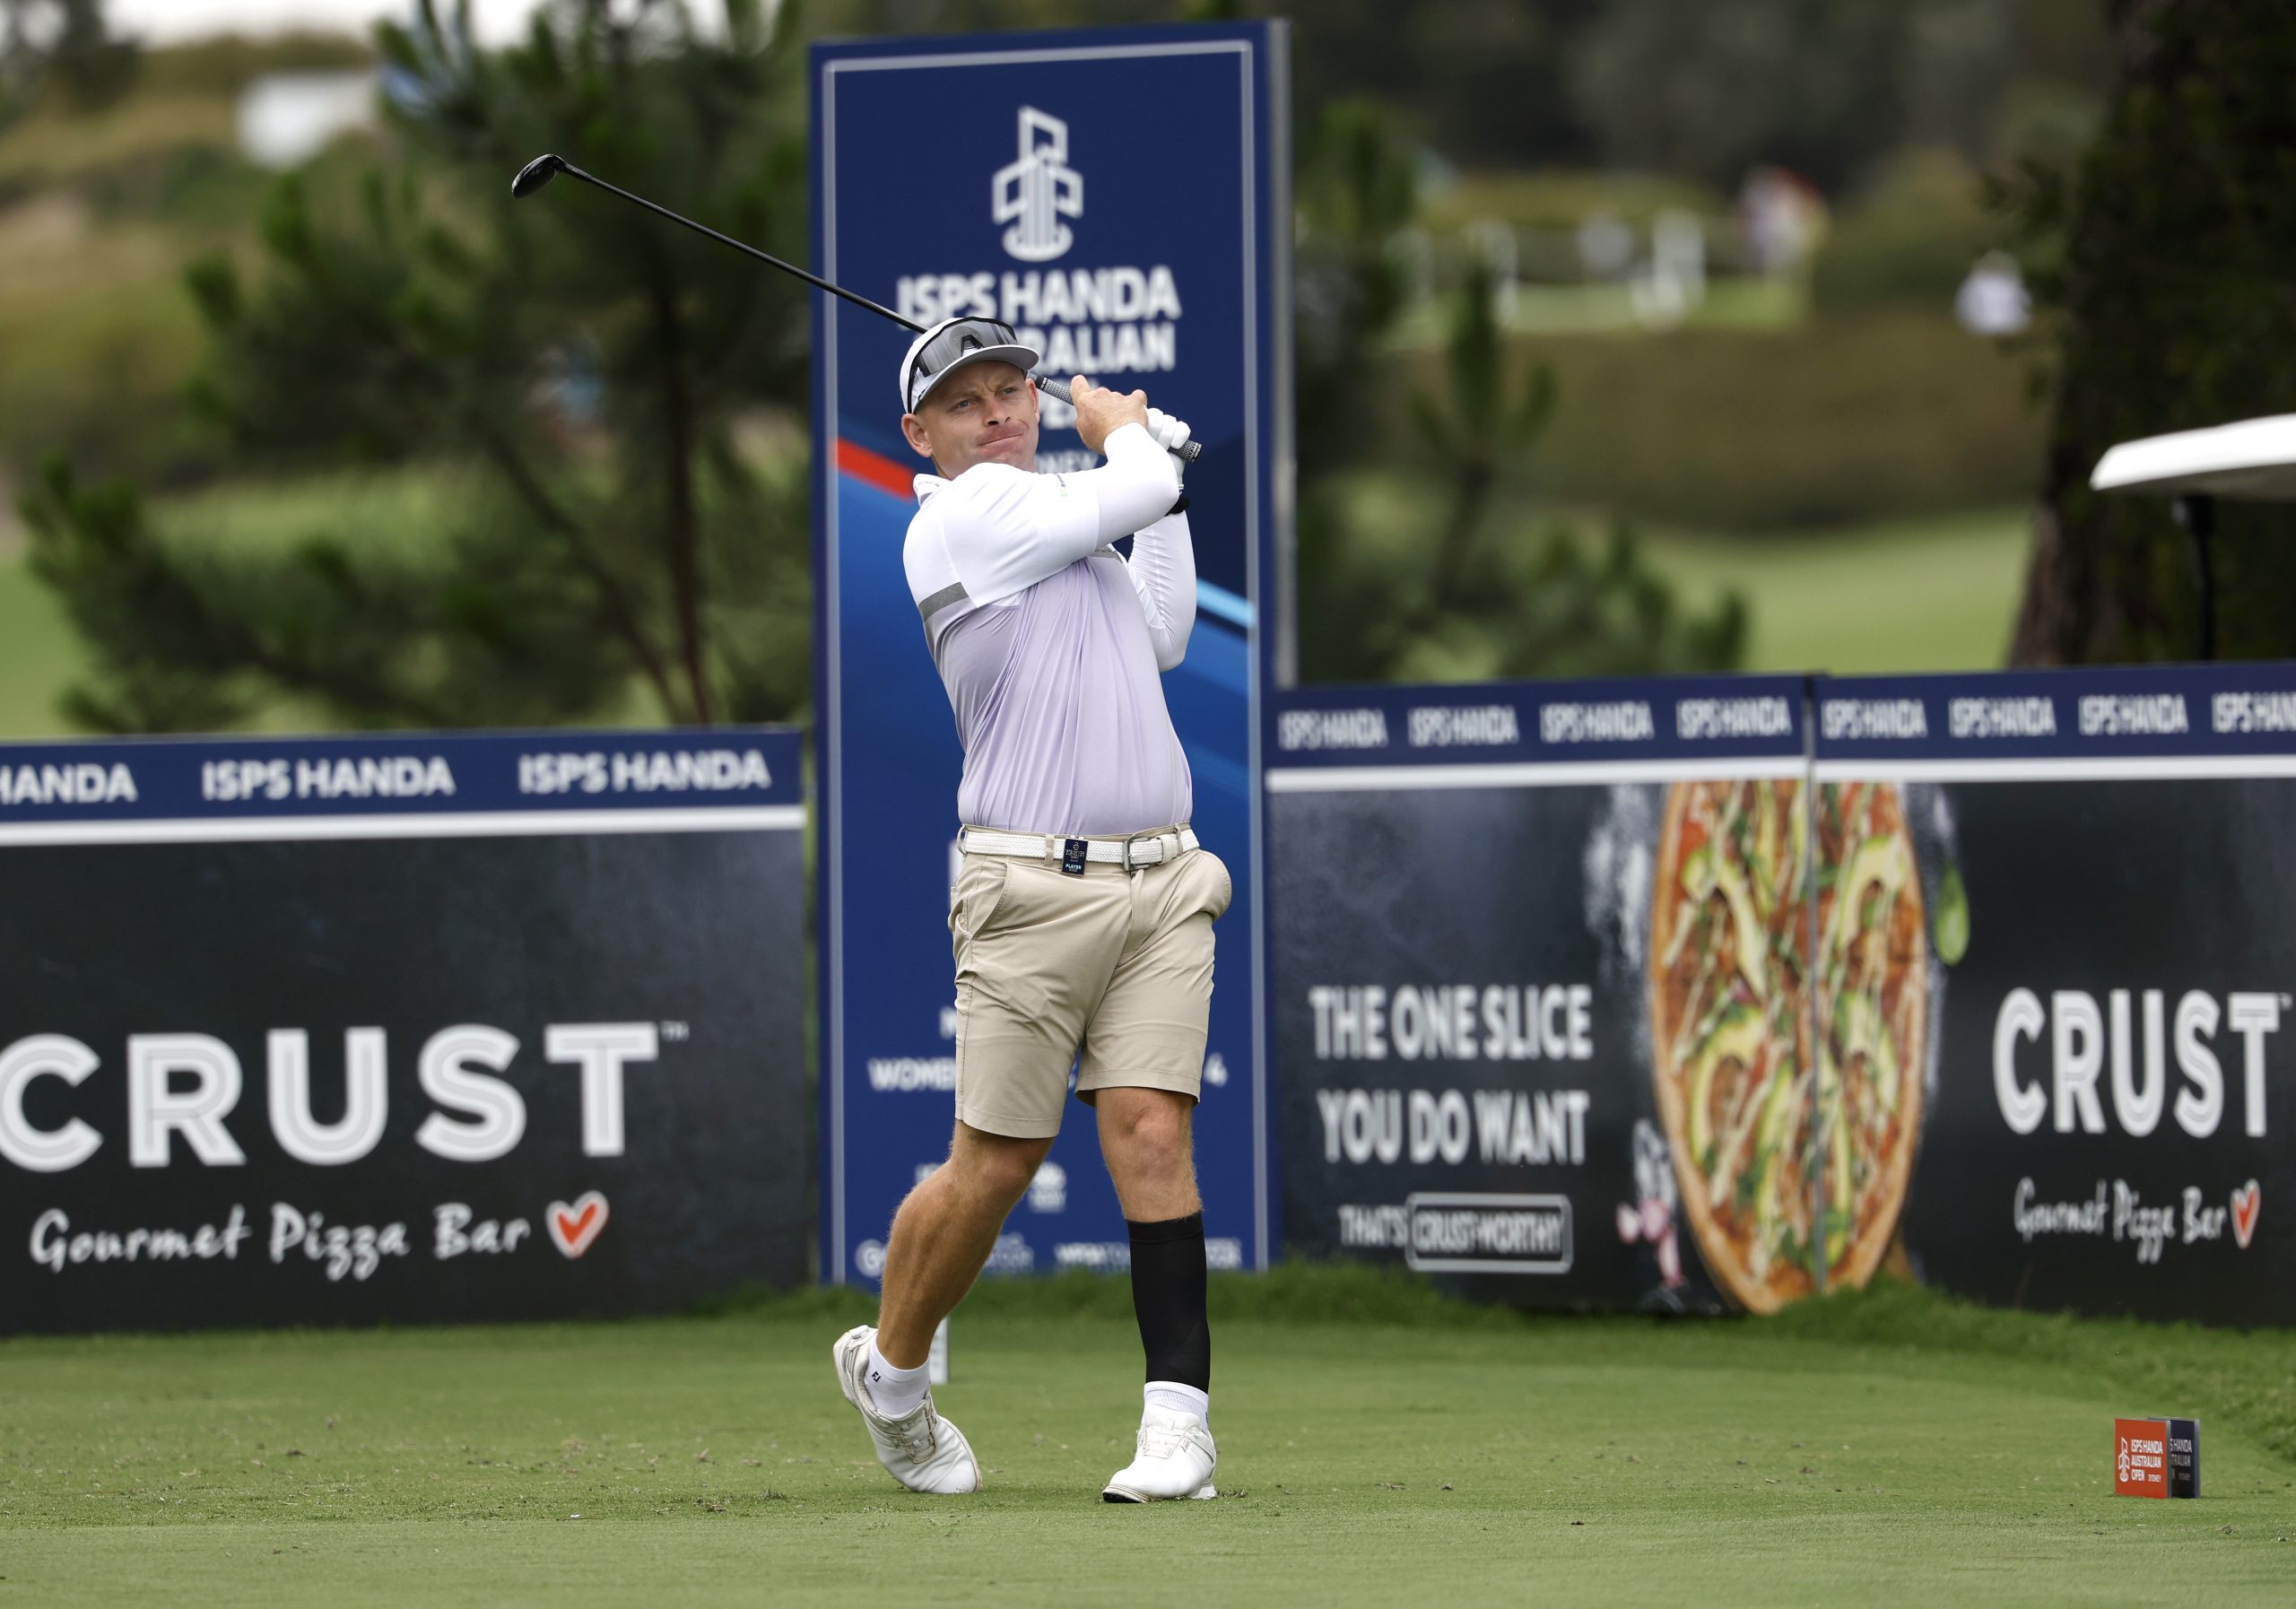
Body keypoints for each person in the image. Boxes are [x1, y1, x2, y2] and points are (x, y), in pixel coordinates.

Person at [832, 316, 1231, 1504]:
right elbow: (1131, 486)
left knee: (1153, 1131)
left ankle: (1179, 1428)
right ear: (922, 435)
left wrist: (1151, 481)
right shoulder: (959, 522)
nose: (999, 411)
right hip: (1023, 888)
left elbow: (1163, 630)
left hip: (1163, 878)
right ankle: (893, 1376)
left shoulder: (1073, 526)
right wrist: (1134, 442)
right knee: (994, 1164)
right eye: (967, 402)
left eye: (1012, 390)